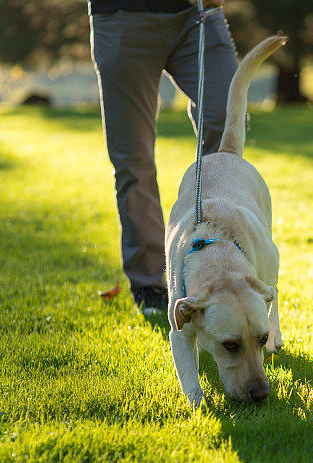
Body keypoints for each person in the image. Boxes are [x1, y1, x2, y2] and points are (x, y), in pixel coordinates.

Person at [88, 0, 235, 314]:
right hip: (123, 16)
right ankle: (150, 283)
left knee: (227, 117)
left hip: (196, 15)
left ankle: (212, 253)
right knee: (133, 157)